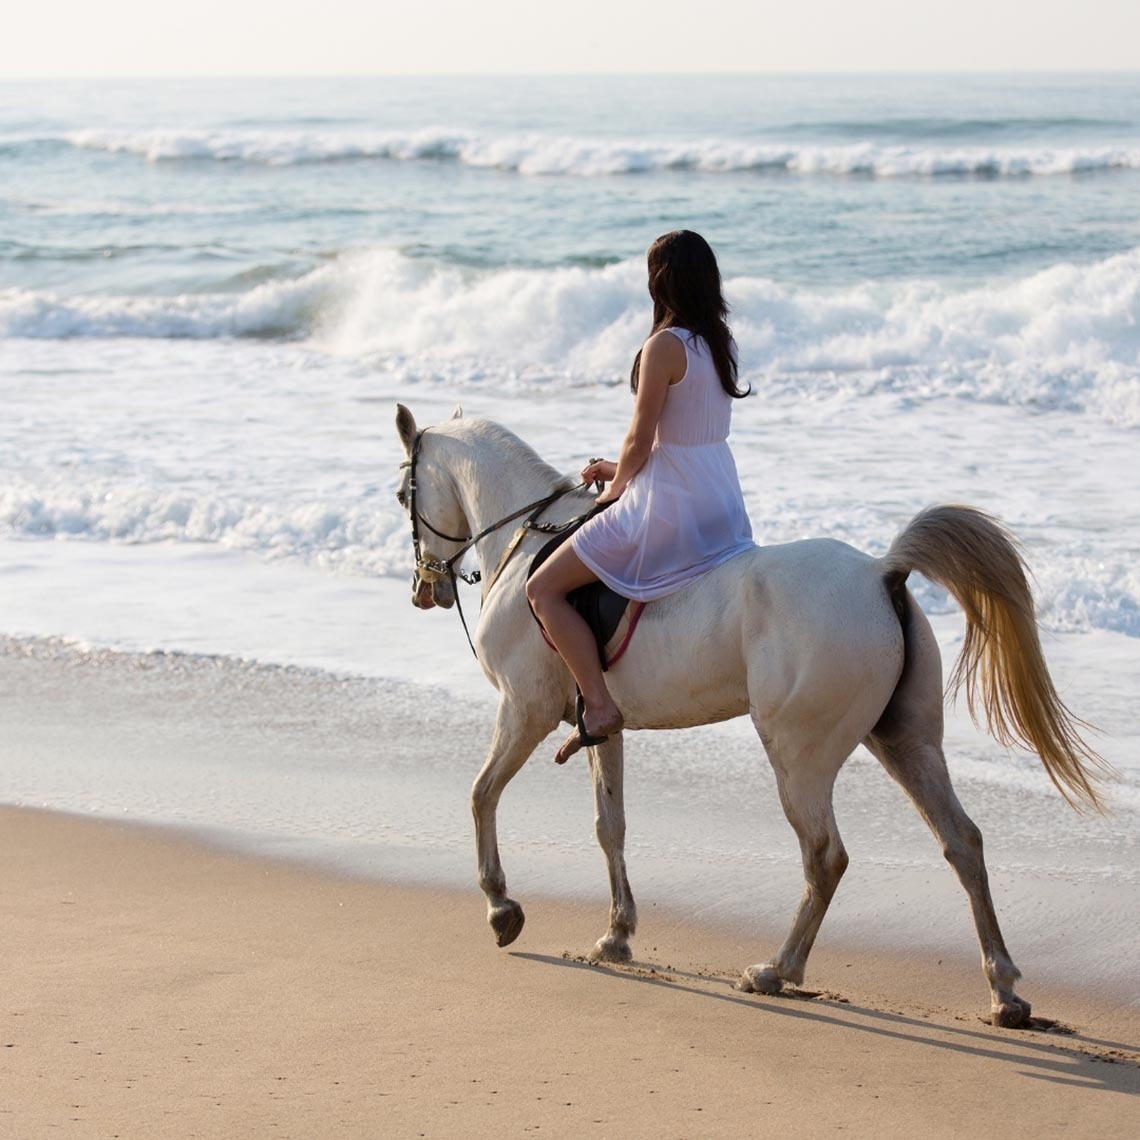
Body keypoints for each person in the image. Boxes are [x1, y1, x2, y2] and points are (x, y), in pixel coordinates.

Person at [526, 229, 755, 763]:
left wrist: (617, 488)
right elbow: (683, 437)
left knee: (542, 589)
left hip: (668, 506)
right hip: (718, 500)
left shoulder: (664, 346)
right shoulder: (719, 342)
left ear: (661, 282)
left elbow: (641, 438)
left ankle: (600, 704)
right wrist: (616, 467)